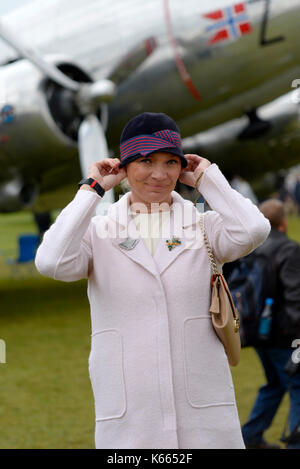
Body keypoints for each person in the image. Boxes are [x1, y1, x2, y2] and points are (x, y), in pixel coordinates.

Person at [35, 112, 270, 449]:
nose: (159, 174)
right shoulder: (100, 232)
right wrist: (92, 190)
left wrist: (207, 178)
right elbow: (51, 261)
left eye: (170, 162)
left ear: (182, 167)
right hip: (132, 417)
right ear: (124, 168)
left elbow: (254, 229)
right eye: (145, 161)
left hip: (203, 414)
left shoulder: (204, 225)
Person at [241, 199, 300, 450]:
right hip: (284, 334)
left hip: (254, 330)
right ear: (283, 223)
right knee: (297, 384)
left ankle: (250, 437)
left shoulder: (250, 247)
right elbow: (295, 295)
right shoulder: (289, 249)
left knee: (275, 384)